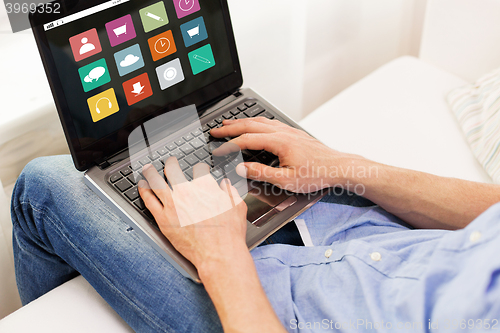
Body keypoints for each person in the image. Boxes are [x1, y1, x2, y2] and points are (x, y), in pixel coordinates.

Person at [12, 117, 500, 332]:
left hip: (265, 315)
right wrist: (345, 166)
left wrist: (220, 252)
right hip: (371, 238)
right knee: (225, 136)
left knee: (43, 186)